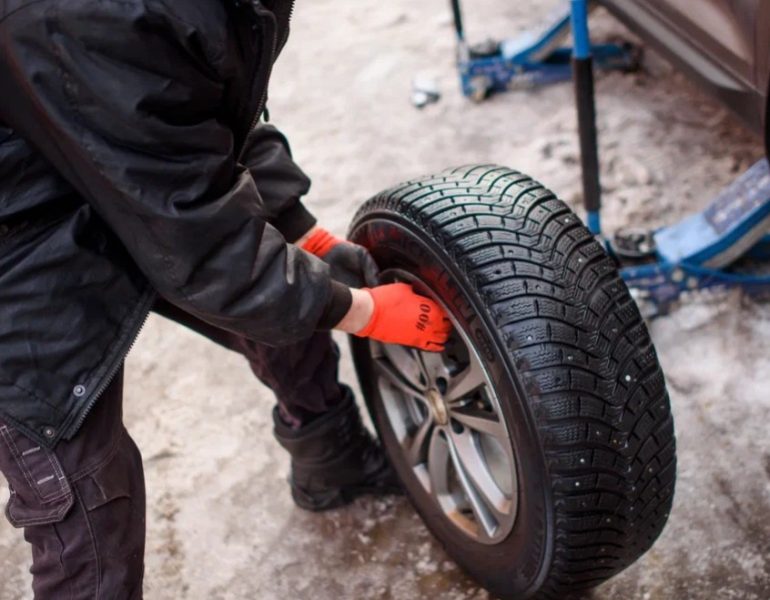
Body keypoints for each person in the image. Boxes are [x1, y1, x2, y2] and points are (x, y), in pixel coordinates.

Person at [0, 0, 452, 597]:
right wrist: (359, 310)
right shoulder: (91, 17)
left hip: (97, 153)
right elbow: (196, 234)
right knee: (87, 497)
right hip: (16, 239)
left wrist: (299, 229)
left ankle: (330, 460)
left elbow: (198, 115)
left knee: (288, 282)